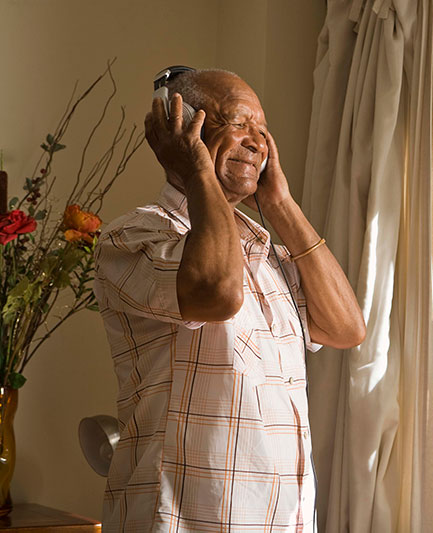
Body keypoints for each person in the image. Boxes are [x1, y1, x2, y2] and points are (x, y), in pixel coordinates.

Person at [93, 68, 365, 532]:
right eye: (237, 123)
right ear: (182, 130)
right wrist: (197, 167)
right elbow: (217, 293)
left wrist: (281, 204)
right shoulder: (134, 236)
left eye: (262, 130)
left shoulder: (270, 254)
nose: (257, 141)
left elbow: (346, 329)